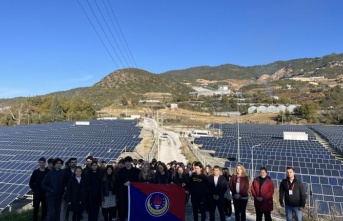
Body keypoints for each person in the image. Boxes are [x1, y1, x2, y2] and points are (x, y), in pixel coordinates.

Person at [116, 156, 140, 221]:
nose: (127, 163)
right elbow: (118, 181)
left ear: (131, 162)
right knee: (122, 208)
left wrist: (132, 184)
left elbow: (138, 181)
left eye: (128, 162)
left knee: (132, 207)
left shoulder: (136, 171)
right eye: (126, 162)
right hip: (123, 192)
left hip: (132, 192)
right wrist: (124, 184)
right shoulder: (121, 171)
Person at [29, 157, 50, 221]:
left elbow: (50, 182)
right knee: (36, 209)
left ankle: (43, 219)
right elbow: (31, 183)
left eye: (43, 162)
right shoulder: (35, 172)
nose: (41, 164)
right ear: (38, 163)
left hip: (45, 193)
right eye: (40, 162)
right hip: (37, 194)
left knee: (44, 208)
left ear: (45, 163)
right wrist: (35, 191)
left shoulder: (48, 172)